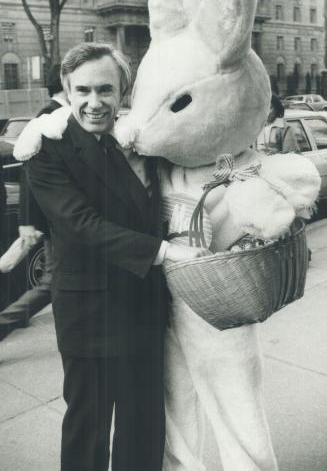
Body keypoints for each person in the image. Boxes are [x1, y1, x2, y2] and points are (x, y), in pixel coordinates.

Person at [23, 42, 203, 471]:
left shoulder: (139, 140)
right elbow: (79, 224)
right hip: (90, 315)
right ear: (66, 90)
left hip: (144, 307)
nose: (93, 102)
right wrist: (162, 251)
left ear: (123, 90)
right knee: (89, 431)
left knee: (143, 429)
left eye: (105, 90)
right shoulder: (45, 149)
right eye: (82, 90)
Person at [0, 65, 69, 341]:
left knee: (54, 282)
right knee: (51, 283)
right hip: (54, 217)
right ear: (65, 83)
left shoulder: (55, 112)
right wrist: (27, 221)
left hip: (57, 214)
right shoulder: (49, 114)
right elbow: (29, 169)